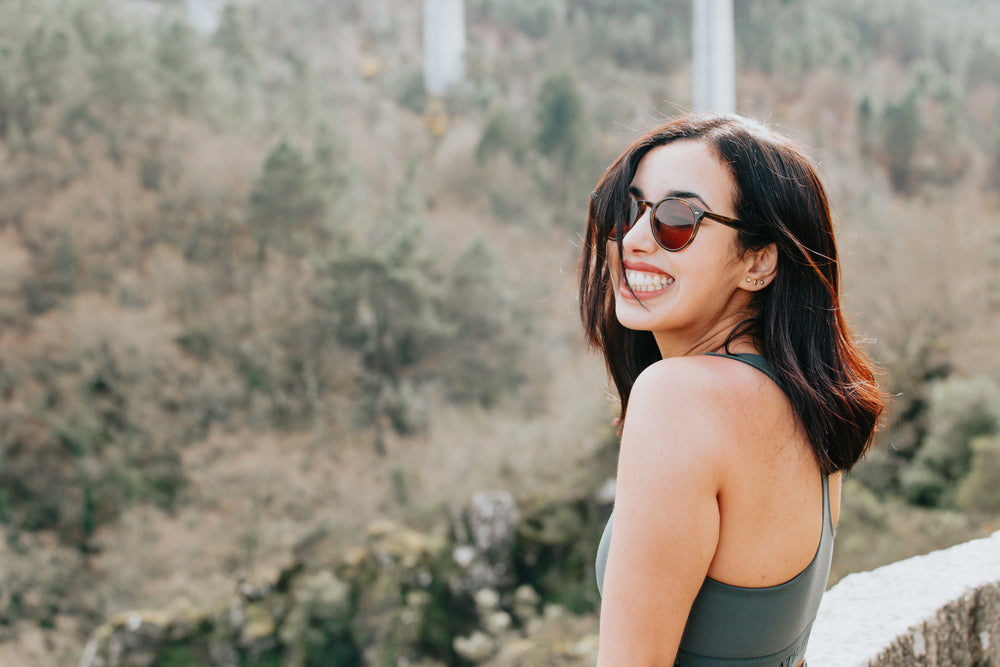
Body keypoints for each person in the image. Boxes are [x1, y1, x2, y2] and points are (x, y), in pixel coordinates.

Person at [579, 113, 884, 666]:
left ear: (758, 261)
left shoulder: (678, 399)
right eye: (629, 210)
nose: (635, 240)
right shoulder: (807, 399)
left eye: (678, 220)